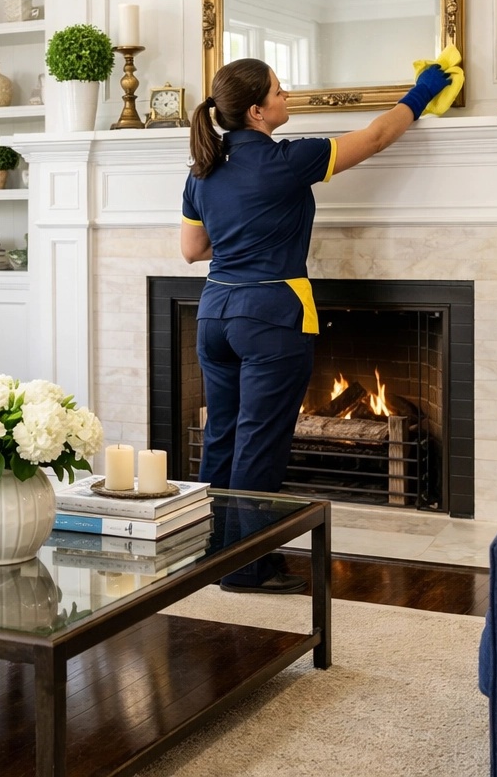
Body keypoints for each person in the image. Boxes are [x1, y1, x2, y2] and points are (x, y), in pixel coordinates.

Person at [180, 57, 450, 593]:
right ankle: (247, 567)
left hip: (214, 313)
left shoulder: (202, 169)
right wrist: (421, 92)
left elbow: (192, 250)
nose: (287, 96)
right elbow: (374, 137)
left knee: (223, 438)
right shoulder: (286, 160)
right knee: (259, 444)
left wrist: (239, 233)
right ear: (257, 111)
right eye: (279, 91)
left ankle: (213, 554)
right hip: (271, 317)